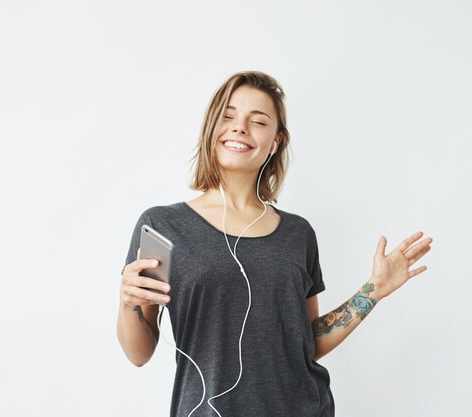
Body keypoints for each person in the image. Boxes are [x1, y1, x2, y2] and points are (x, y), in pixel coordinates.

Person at [117, 70, 433, 417]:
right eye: (228, 116)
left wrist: (374, 290)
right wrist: (128, 302)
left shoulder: (298, 233)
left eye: (258, 121)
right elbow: (138, 353)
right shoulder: (164, 226)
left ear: (275, 142)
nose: (240, 127)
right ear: (212, 128)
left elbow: (306, 343)